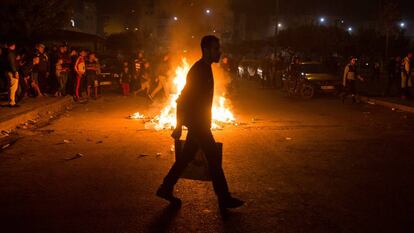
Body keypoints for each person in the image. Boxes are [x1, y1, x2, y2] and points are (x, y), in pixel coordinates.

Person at [157, 35, 244, 210]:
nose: (219, 52)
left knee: (185, 158)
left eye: (218, 48)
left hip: (199, 123)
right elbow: (182, 99)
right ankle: (224, 198)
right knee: (213, 158)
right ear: (206, 50)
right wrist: (178, 125)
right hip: (198, 124)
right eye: (216, 49)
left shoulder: (205, 68)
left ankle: (166, 187)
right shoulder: (198, 71)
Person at [4, 42, 20, 107]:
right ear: (13, 45)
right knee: (13, 87)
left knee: (10, 86)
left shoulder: (5, 52)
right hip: (11, 72)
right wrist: (15, 72)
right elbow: (12, 63)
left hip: (7, 71)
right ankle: (12, 102)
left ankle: (10, 100)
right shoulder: (11, 53)